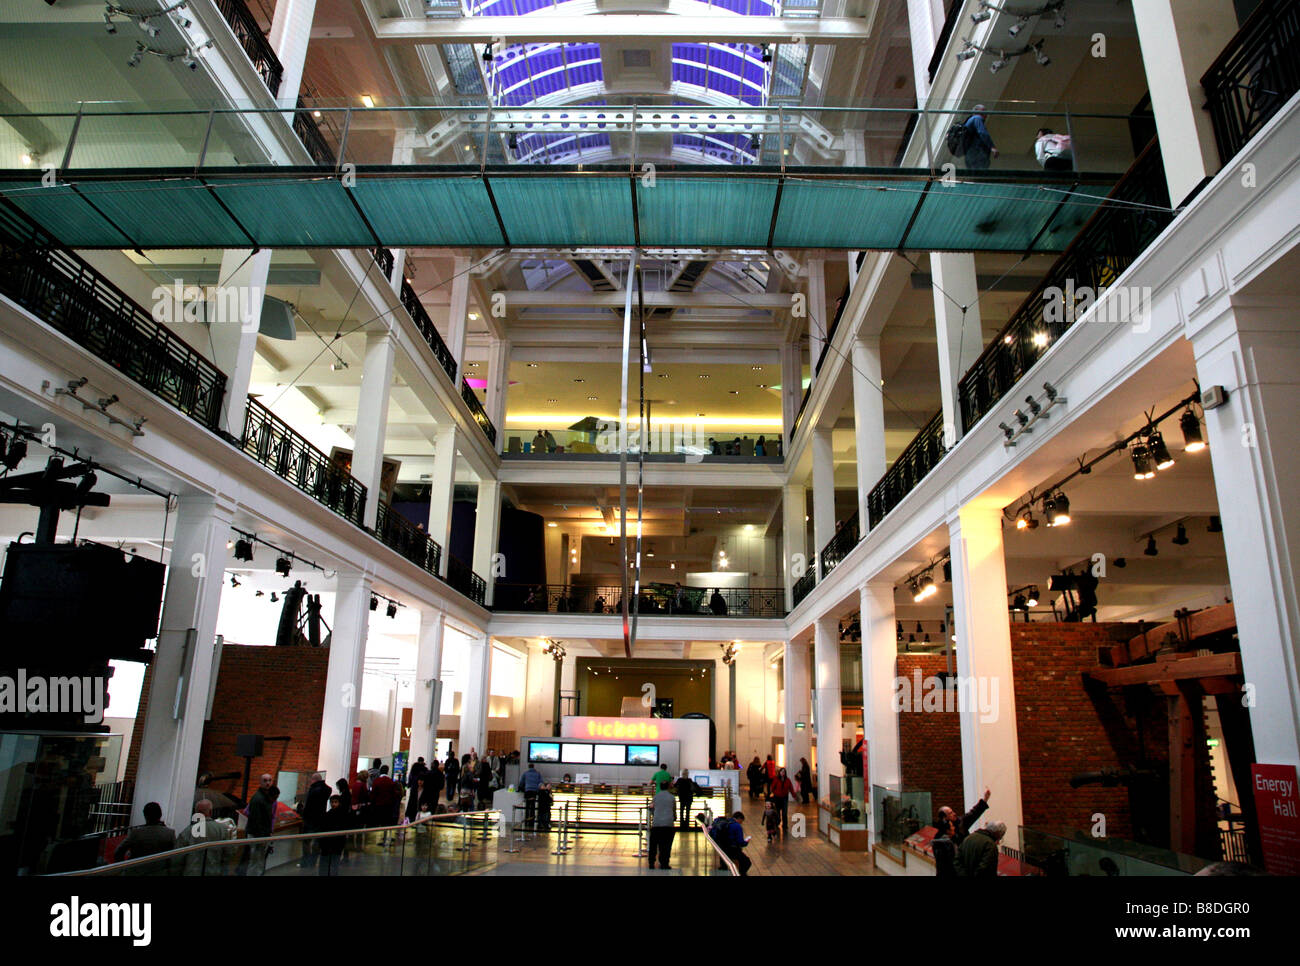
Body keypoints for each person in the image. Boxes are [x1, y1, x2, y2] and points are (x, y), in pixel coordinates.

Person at [933, 788, 991, 878]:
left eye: (952, 811)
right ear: (945, 818)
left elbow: (973, 813)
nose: (954, 813)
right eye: (950, 813)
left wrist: (984, 800)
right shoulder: (941, 839)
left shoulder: (961, 823)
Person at [177, 799, 232, 875]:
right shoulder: (222, 830)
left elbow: (178, 857)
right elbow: (228, 853)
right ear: (210, 812)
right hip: (214, 871)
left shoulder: (187, 831)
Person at [300, 771, 331, 868]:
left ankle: (305, 861)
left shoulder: (313, 790)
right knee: (317, 842)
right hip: (320, 818)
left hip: (310, 819)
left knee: (306, 841)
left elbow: (308, 805)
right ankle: (313, 861)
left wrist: (303, 815)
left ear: (313, 780)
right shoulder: (327, 789)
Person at [317, 794, 351, 876]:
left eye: (335, 802)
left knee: (330, 864)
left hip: (332, 844)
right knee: (332, 864)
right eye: (332, 802)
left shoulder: (330, 815)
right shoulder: (340, 814)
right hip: (333, 844)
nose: (333, 804)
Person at [649, 782, 677, 870]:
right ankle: (664, 863)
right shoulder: (672, 797)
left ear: (660, 787)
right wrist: (673, 817)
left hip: (656, 824)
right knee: (666, 845)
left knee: (653, 845)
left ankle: (651, 863)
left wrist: (655, 815)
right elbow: (674, 810)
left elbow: (651, 808)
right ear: (668, 787)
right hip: (668, 824)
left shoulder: (655, 797)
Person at [714, 811, 752, 876]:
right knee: (747, 862)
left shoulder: (726, 822)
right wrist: (746, 842)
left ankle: (729, 870)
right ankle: (741, 874)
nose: (741, 823)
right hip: (733, 850)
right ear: (739, 819)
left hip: (723, 848)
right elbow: (740, 842)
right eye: (742, 821)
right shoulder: (737, 826)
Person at [961, 105, 998, 170]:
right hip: (977, 153)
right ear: (977, 111)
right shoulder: (977, 118)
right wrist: (992, 147)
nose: (986, 114)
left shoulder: (970, 120)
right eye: (984, 111)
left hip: (970, 154)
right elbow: (983, 133)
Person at [767, 766, 796, 833]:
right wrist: (773, 793)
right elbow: (772, 787)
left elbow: (791, 788)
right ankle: (777, 822)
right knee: (777, 811)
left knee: (784, 812)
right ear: (779, 773)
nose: (783, 773)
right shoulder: (776, 779)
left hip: (784, 798)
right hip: (777, 798)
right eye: (781, 772)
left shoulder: (787, 780)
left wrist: (794, 795)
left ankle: (785, 825)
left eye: (784, 772)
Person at [520, 760, 544, 828]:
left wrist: (521, 788)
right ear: (534, 767)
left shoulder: (525, 773)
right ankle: (532, 822)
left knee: (527, 807)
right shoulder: (537, 773)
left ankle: (526, 821)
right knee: (533, 807)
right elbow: (541, 782)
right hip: (535, 791)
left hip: (527, 791)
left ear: (528, 767)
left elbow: (521, 782)